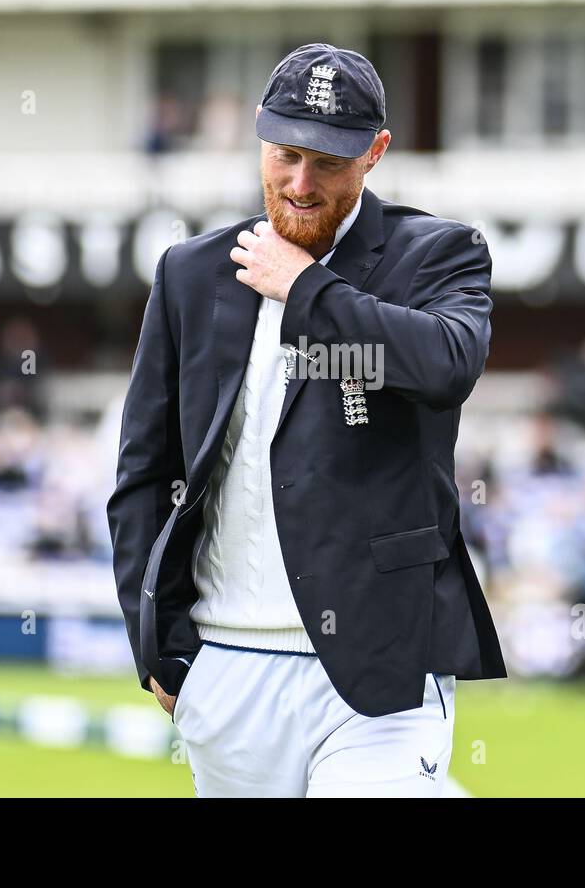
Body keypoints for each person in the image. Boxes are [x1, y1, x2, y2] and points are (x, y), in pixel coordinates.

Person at [107, 42, 506, 797]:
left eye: (328, 160)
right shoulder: (190, 274)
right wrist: (157, 642)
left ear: (376, 153)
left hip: (381, 669)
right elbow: (144, 475)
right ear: (260, 136)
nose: (301, 182)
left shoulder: (438, 253)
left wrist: (307, 290)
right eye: (286, 154)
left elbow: (448, 364)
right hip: (226, 667)